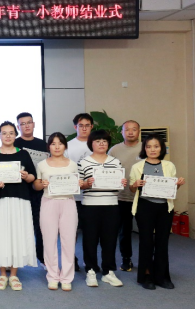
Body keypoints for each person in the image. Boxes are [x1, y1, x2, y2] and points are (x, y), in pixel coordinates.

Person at [0, 122, 38, 291]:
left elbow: (33, 177)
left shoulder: (23, 154)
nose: (7, 136)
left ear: (15, 135)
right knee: (0, 235)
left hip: (20, 199)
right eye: (4, 133)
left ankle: (14, 274)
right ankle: (2, 273)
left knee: (17, 234)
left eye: (11, 133)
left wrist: (26, 176)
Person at [129, 135, 185, 290]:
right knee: (146, 241)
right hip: (144, 206)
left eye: (156, 146)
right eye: (148, 146)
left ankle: (162, 277)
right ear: (144, 148)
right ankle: (146, 276)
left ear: (162, 148)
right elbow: (132, 189)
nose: (152, 150)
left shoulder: (169, 165)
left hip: (164, 208)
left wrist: (178, 184)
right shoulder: (137, 166)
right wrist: (135, 184)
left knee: (162, 242)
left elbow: (171, 188)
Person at [78, 130, 128, 288]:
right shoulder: (83, 162)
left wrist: (122, 183)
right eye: (97, 141)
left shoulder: (115, 162)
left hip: (111, 205)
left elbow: (118, 186)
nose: (101, 144)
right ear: (91, 143)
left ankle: (108, 272)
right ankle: (91, 270)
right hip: (90, 206)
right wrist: (86, 184)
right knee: (90, 240)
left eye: (104, 141)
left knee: (110, 240)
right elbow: (79, 185)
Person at [33, 132, 80, 291]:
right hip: (49, 202)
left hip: (68, 202)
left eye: (60, 143)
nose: (57, 147)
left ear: (65, 146)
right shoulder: (42, 165)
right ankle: (52, 276)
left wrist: (78, 183)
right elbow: (36, 185)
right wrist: (42, 184)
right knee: (49, 241)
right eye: (53, 144)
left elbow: (76, 184)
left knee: (68, 241)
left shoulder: (72, 165)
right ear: (49, 146)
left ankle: (66, 277)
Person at [14, 112, 49, 269]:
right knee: (17, 226)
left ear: (34, 124)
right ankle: (15, 260)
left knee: (40, 226)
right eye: (23, 123)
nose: (26, 126)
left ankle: (42, 258)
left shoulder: (43, 145)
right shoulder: (14, 143)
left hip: (39, 190)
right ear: (18, 127)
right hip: (19, 189)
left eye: (29, 122)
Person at [108, 121, 142, 272]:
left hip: (143, 197)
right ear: (122, 132)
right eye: (127, 129)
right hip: (122, 197)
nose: (130, 132)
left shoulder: (146, 148)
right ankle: (126, 259)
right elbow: (107, 170)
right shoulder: (114, 150)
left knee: (145, 231)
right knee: (124, 231)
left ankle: (146, 261)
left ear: (139, 131)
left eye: (134, 129)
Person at [66, 113, 94, 272]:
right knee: (72, 231)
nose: (84, 128)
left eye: (87, 125)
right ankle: (71, 259)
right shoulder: (68, 146)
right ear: (75, 127)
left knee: (90, 231)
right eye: (81, 125)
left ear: (92, 127)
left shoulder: (97, 144)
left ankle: (89, 261)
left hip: (93, 195)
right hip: (74, 196)